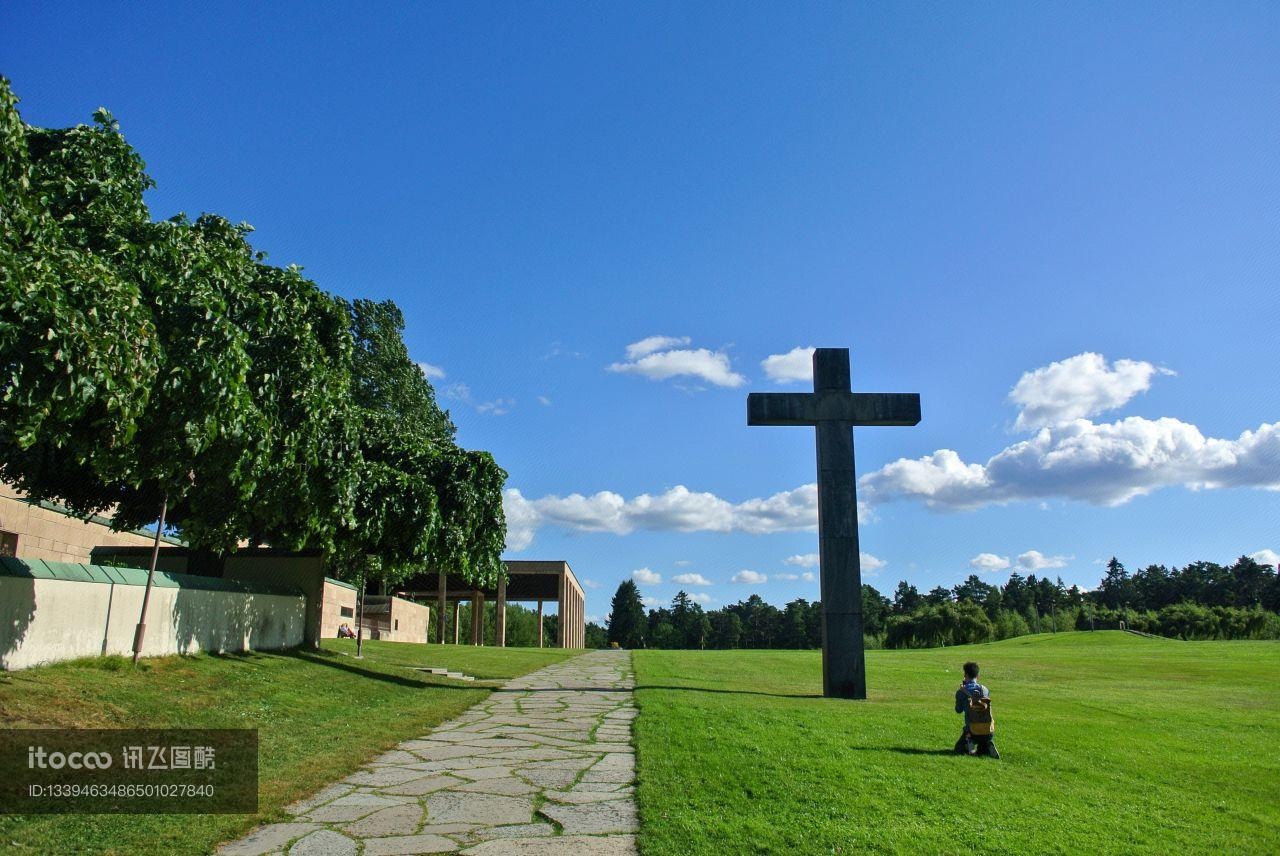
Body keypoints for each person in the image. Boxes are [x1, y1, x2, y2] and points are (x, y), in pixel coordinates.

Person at [954, 661, 1000, 759]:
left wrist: (961, 695)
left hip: (972, 730)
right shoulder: (985, 689)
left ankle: (969, 743)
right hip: (988, 729)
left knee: (958, 749)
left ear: (965, 675)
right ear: (977, 675)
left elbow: (958, 710)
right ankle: (987, 745)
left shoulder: (961, 692)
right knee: (982, 749)